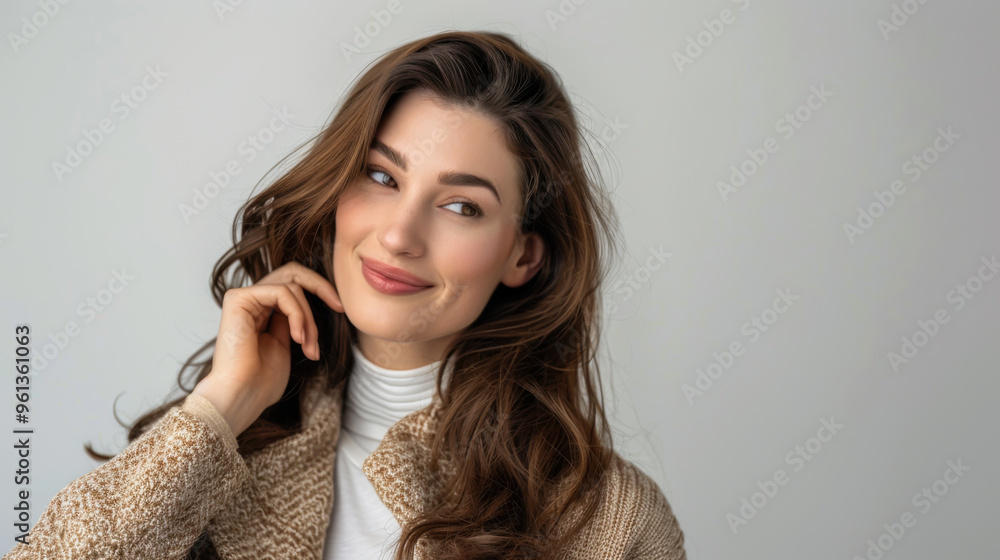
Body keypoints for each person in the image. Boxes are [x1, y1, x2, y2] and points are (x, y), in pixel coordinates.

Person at [3, 30, 687, 559]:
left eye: (462, 207)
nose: (398, 236)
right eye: (382, 179)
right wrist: (220, 406)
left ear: (523, 254)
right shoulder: (231, 446)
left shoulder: (605, 520)